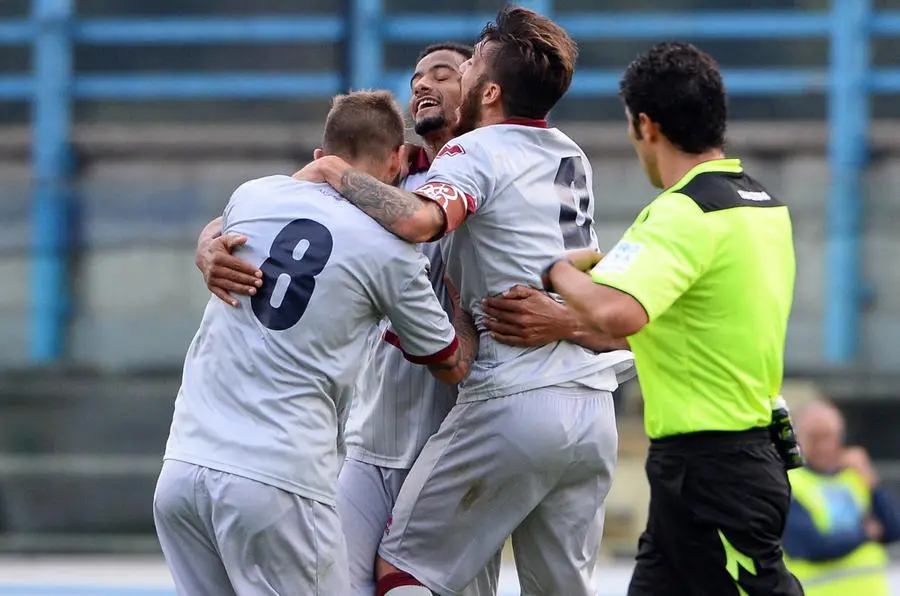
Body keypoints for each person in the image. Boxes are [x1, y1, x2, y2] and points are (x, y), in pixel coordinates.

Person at [198, 38, 629, 595]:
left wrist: (564, 321)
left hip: (467, 431)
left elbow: (610, 310)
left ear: (482, 90)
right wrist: (209, 243)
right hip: (373, 441)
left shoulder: (505, 173)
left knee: (415, 577)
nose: (423, 84)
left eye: (450, 72)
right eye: (417, 76)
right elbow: (264, 212)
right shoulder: (382, 174)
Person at [152, 91, 478, 596]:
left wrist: (205, 247)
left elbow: (222, 227)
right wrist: (463, 295)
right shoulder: (391, 250)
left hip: (182, 473)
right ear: (396, 160)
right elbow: (450, 363)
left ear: (319, 155)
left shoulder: (253, 196)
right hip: (278, 482)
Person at [541, 42, 804, 595]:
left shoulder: (682, 213)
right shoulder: (757, 203)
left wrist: (558, 272)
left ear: (646, 124)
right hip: (704, 464)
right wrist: (568, 320)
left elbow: (618, 313)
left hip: (717, 468)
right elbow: (688, 327)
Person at [783, 400, 900, 596]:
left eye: (828, 436)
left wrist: (872, 483)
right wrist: (866, 533)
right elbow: (809, 545)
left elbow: (893, 529)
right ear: (799, 438)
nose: (822, 445)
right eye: (814, 437)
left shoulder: (854, 476)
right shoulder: (791, 482)